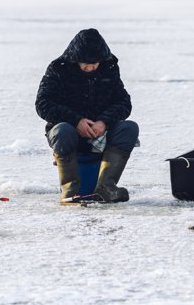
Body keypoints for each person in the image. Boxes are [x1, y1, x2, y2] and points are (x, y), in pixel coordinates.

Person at [35, 28, 139, 204]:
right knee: (63, 130)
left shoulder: (109, 69)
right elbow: (43, 104)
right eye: (85, 63)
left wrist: (104, 122)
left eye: (95, 63)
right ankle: (70, 191)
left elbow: (124, 102)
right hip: (68, 133)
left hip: (101, 132)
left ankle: (106, 188)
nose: (90, 67)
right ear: (75, 59)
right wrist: (76, 121)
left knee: (129, 128)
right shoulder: (58, 69)